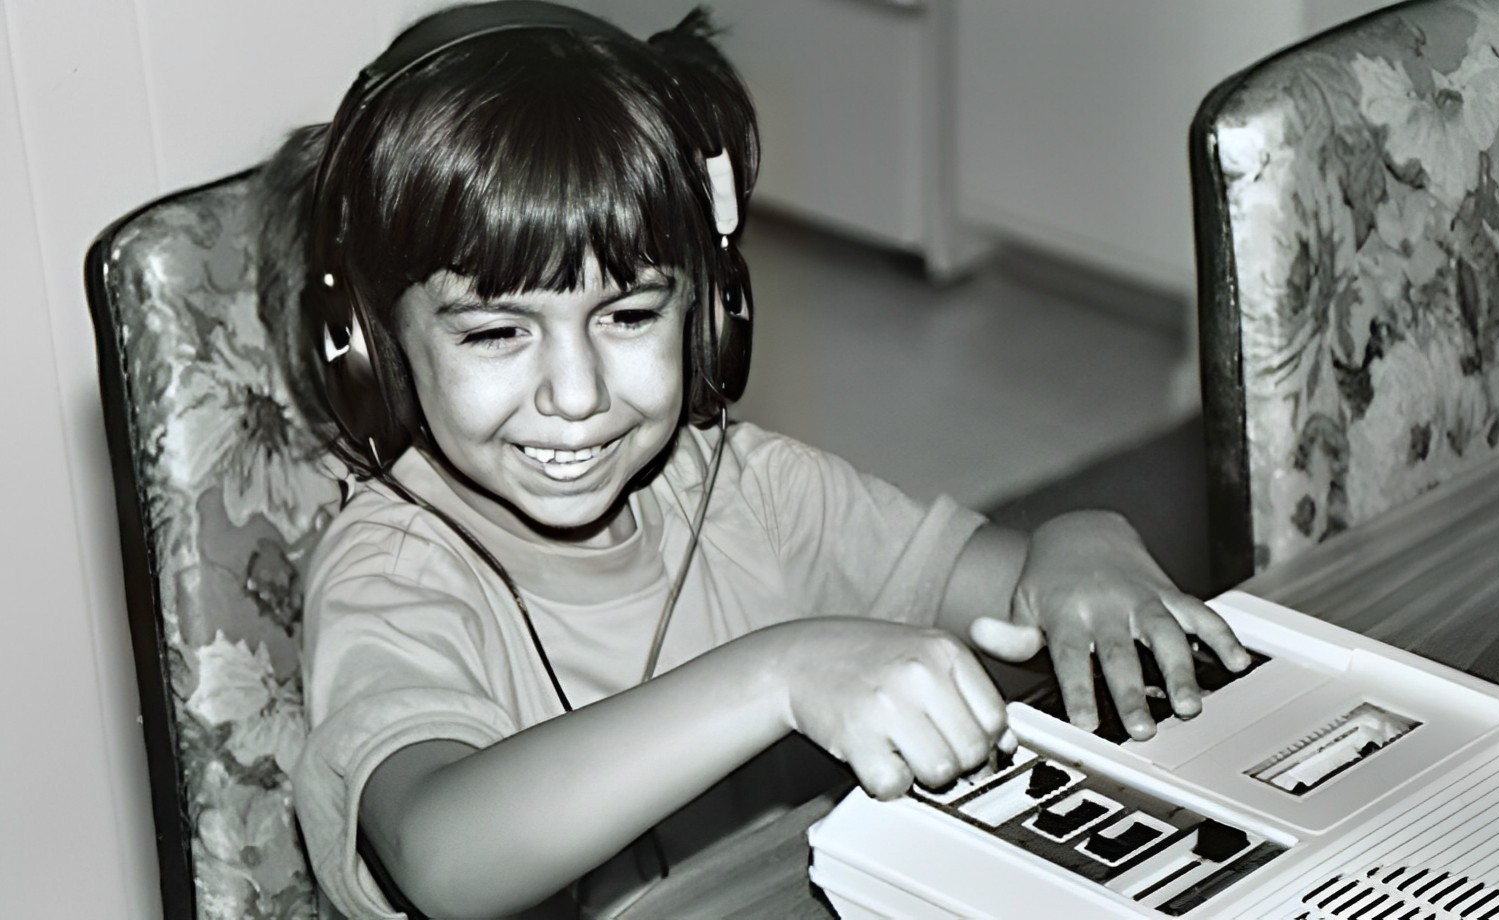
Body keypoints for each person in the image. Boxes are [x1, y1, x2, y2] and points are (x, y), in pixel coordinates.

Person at [279, 2, 1251, 917]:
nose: (575, 394)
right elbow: (444, 851)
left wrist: (1085, 543)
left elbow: (1008, 585)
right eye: (495, 332)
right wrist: (777, 671)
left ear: (710, 315)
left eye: (627, 315)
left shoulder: (752, 491)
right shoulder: (395, 570)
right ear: (369, 346)